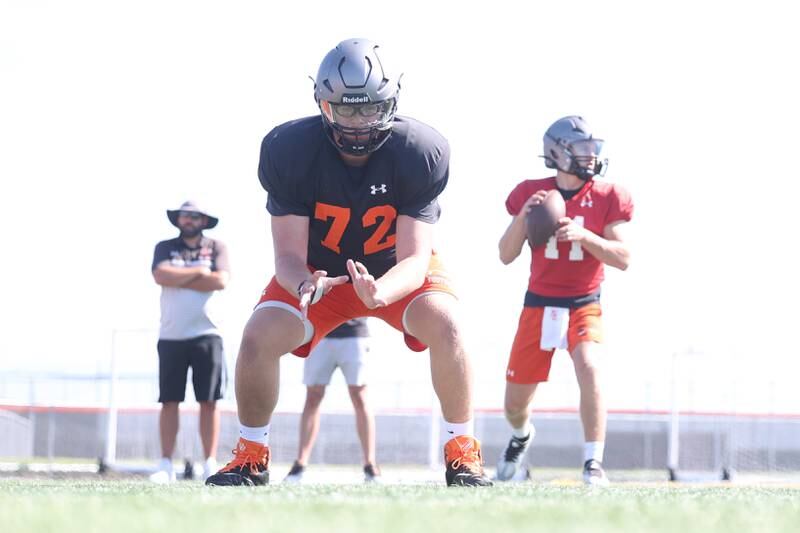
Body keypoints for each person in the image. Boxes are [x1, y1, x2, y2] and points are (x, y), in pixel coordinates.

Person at [205, 38, 491, 487]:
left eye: (369, 109)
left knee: (449, 324)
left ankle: (462, 452)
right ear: (323, 104)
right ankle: (252, 454)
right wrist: (305, 282)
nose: (357, 123)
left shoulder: (420, 152)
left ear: (390, 104)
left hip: (395, 272)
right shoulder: (289, 150)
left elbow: (416, 258)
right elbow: (287, 256)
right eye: (346, 110)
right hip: (321, 277)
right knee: (257, 337)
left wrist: (381, 292)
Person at [495, 116, 633, 486]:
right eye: (582, 149)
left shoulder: (607, 195)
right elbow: (505, 255)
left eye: (593, 149)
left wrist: (587, 236)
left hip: (584, 302)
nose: (591, 157)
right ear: (558, 152)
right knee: (514, 405)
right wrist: (524, 218)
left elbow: (623, 257)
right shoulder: (530, 191)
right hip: (538, 304)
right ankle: (522, 436)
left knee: (589, 366)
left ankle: (593, 462)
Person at [150, 201, 230, 483]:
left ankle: (209, 462)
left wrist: (179, 278)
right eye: (184, 215)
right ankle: (165, 464)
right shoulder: (164, 247)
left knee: (209, 401)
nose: (189, 219)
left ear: (204, 219)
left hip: (208, 334)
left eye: (195, 215)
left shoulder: (216, 247)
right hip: (171, 334)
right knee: (169, 399)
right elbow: (160, 275)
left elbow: (220, 280)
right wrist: (199, 273)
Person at [283, 318, 380, 483]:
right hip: (319, 334)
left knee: (360, 395)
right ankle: (301, 463)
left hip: (355, 335)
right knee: (313, 396)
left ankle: (370, 464)